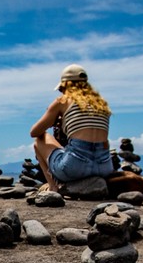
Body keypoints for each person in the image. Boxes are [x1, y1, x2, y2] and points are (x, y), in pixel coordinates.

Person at [29, 64, 113, 194]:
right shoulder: (101, 104)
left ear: (66, 85)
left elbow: (34, 132)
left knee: (39, 140)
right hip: (104, 167)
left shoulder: (62, 101)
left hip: (75, 167)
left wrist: (54, 121)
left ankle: (53, 187)